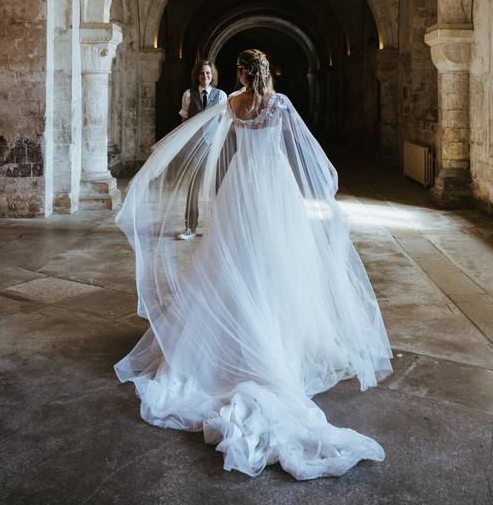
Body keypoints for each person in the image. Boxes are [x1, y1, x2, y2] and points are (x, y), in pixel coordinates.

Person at [114, 49, 393, 480]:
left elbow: (215, 143)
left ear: (242, 73)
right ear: (266, 71)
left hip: (240, 186)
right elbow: (300, 148)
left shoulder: (232, 104)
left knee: (230, 257)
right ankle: (278, 336)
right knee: (278, 260)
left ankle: (231, 332)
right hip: (273, 186)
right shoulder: (279, 104)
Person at [176, 59, 227, 240]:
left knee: (216, 187)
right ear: (196, 76)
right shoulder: (188, 95)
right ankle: (190, 226)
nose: (204, 76)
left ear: (212, 75)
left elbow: (222, 124)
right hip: (194, 148)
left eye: (207, 73)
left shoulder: (221, 95)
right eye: (201, 73)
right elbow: (184, 123)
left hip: (213, 147)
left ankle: (216, 228)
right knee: (193, 187)